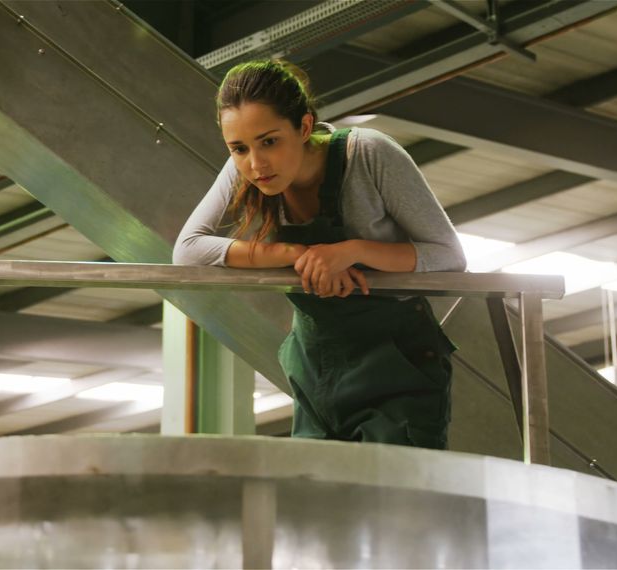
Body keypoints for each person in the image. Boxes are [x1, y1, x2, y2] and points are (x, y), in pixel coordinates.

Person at [173, 60, 466, 449]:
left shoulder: (369, 154)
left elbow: (449, 254)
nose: (256, 164)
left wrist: (352, 251)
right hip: (316, 373)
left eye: (270, 141)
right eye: (239, 148)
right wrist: (299, 254)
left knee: (391, 505)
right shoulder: (244, 168)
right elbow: (188, 250)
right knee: (317, 503)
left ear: (305, 127)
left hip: (397, 370)